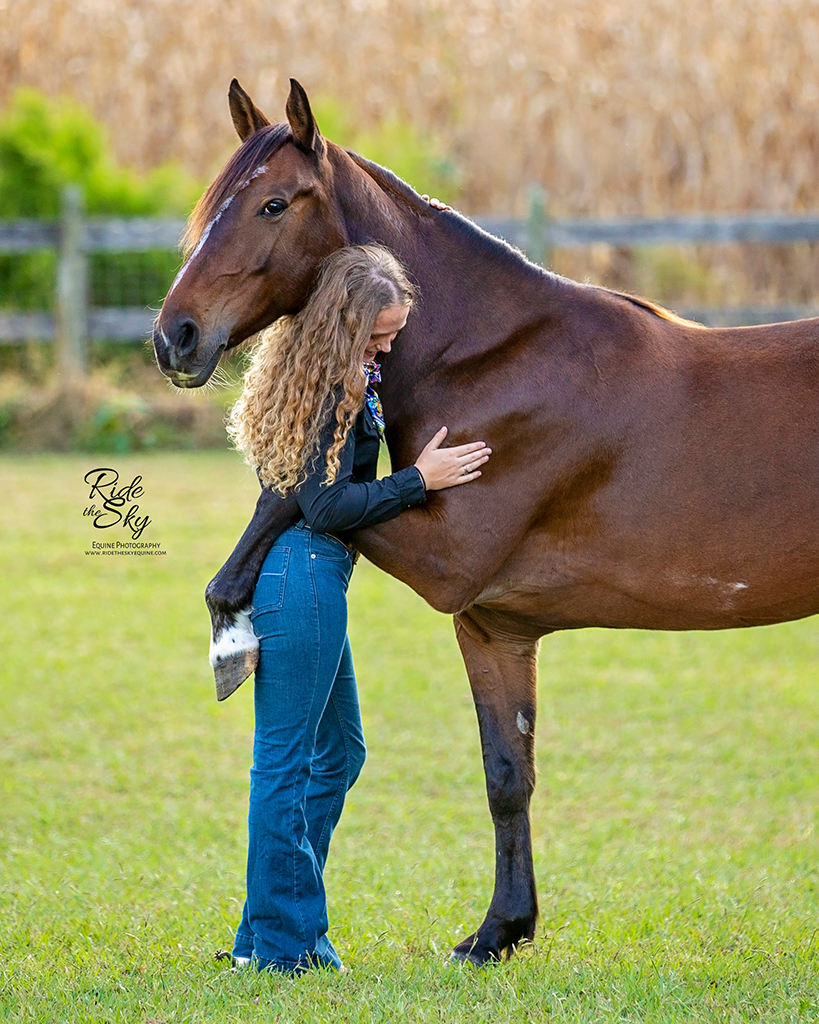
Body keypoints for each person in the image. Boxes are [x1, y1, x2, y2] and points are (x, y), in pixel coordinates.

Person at [224, 244, 491, 974]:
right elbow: (325, 503)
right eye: (377, 337)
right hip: (302, 576)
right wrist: (418, 480)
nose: (387, 347)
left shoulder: (336, 374)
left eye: (394, 334)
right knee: (282, 764)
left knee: (339, 753)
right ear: (343, 328)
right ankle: (284, 948)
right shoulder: (331, 387)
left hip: (310, 578)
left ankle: (266, 932)